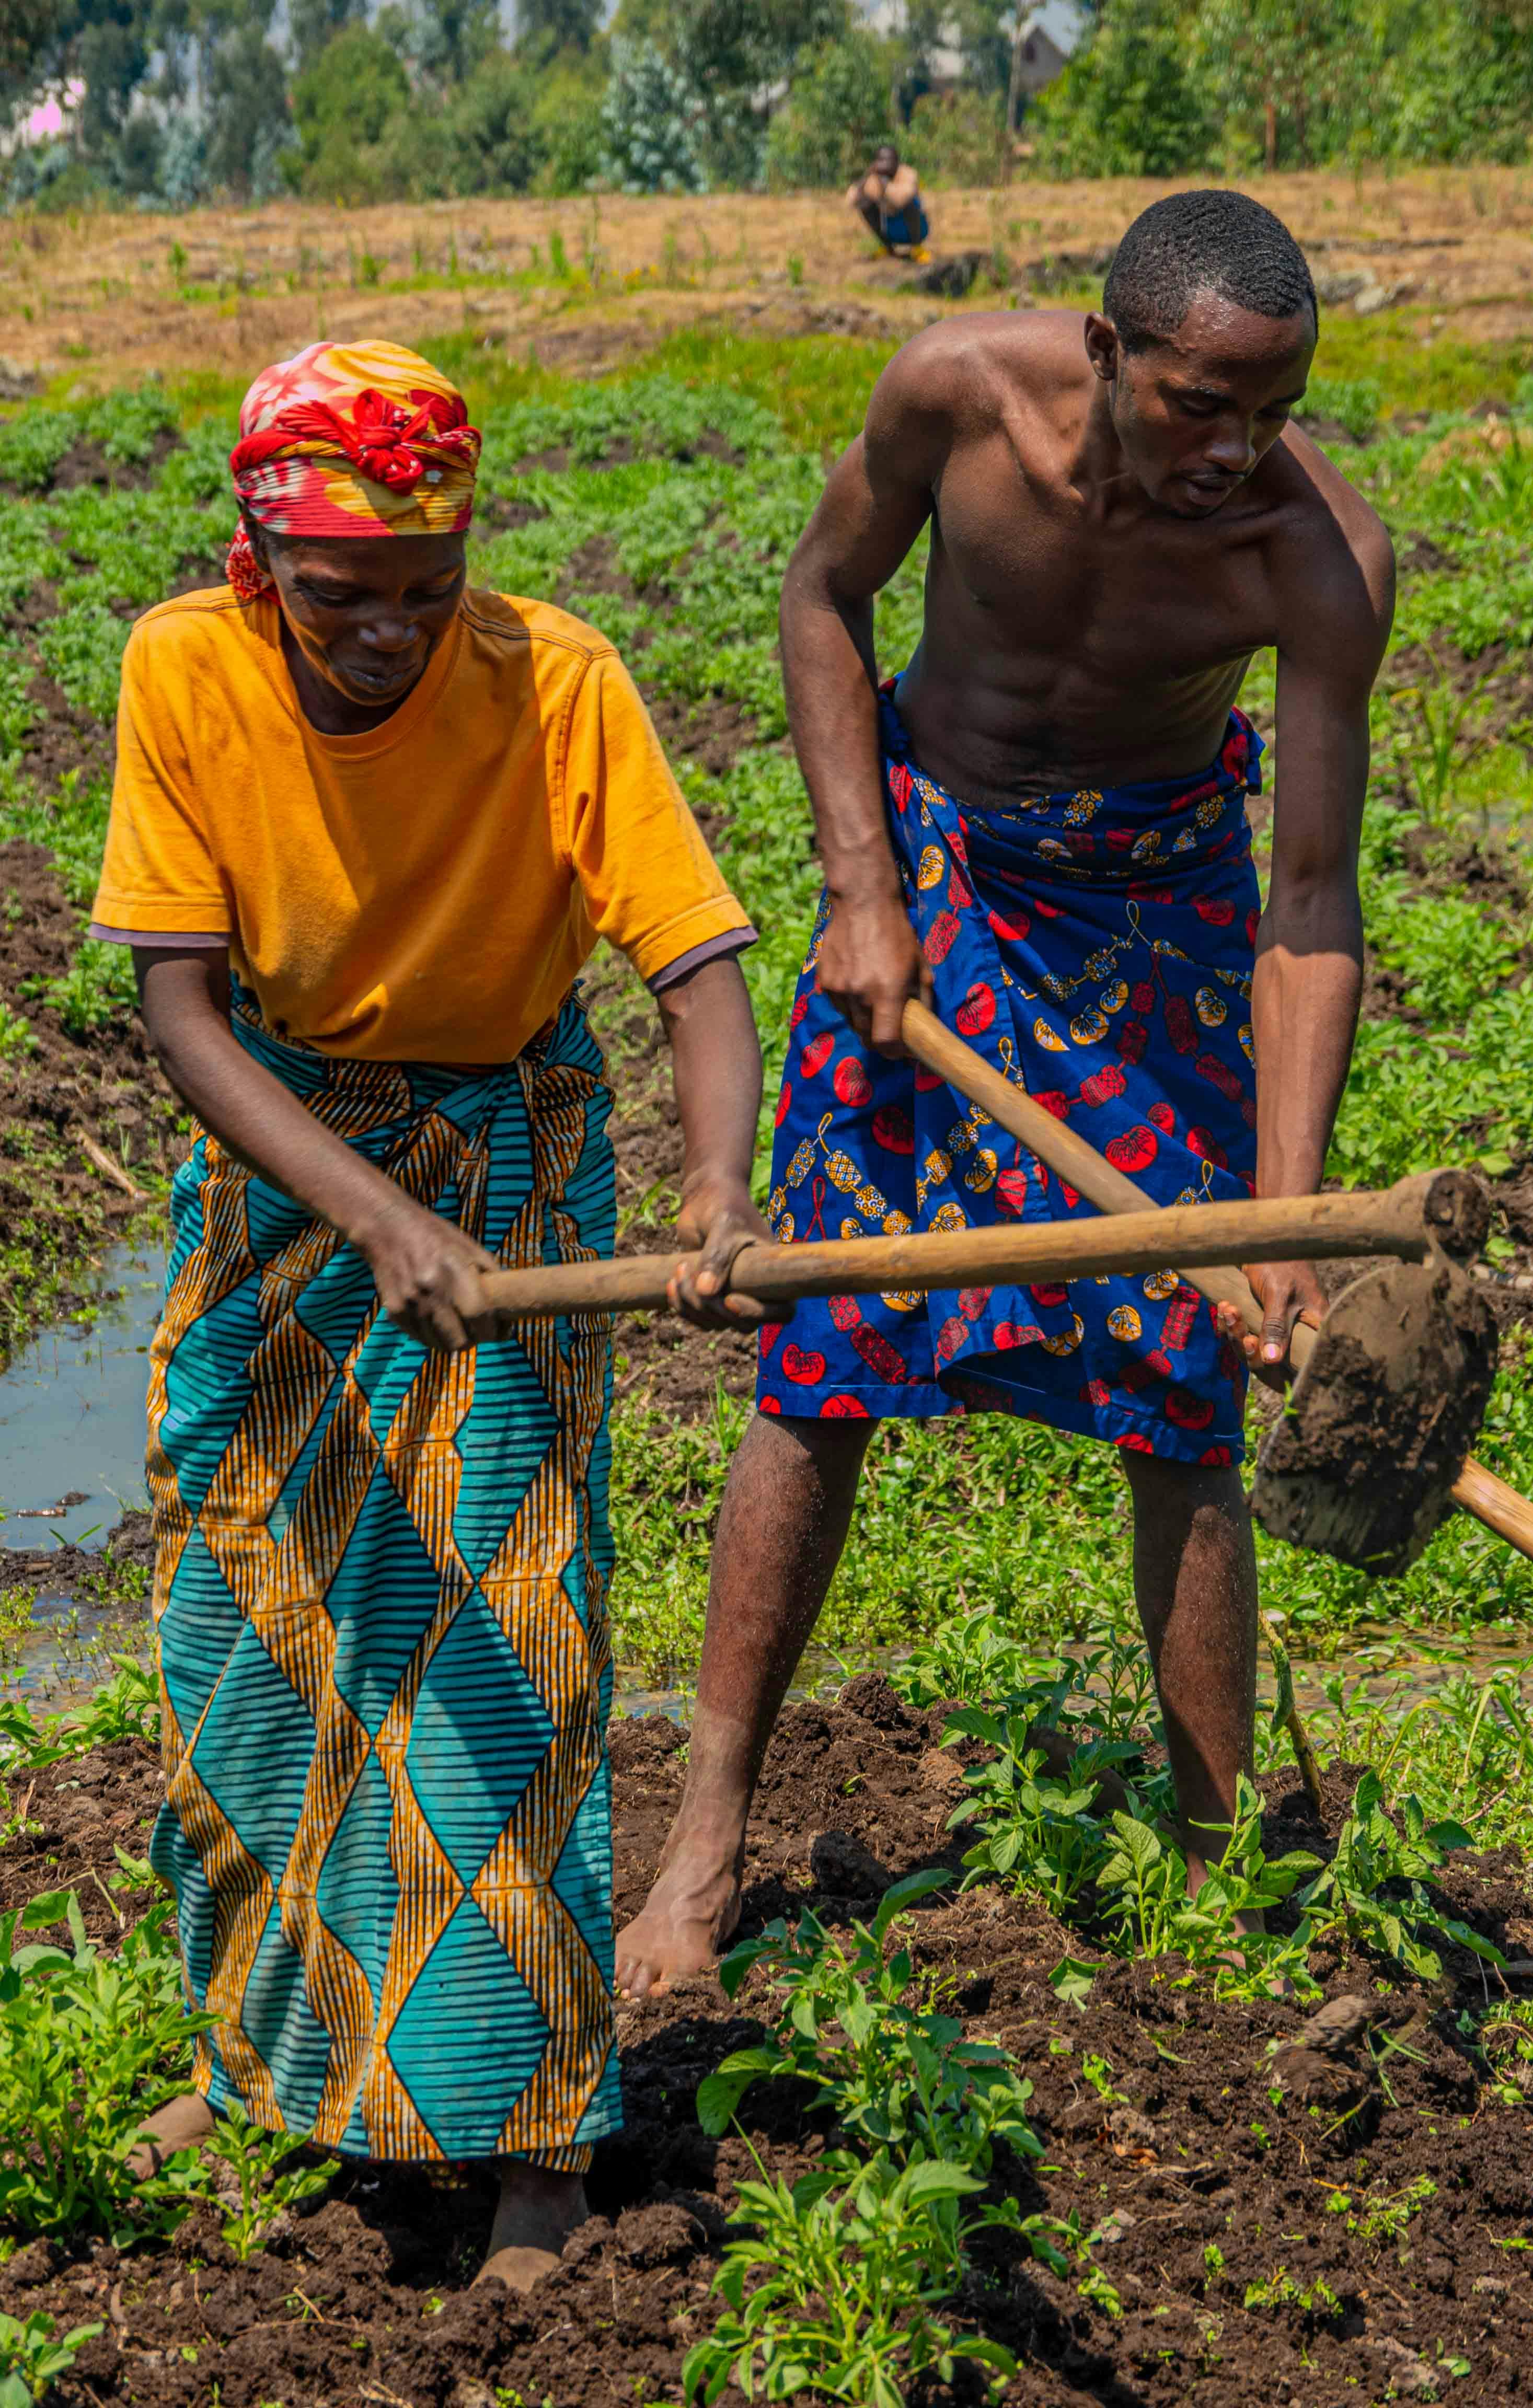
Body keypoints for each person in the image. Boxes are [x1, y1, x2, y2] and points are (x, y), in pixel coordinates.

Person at [616, 188, 1394, 1998]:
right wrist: (859, 886)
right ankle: (704, 1831)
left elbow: (1306, 904)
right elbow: (824, 595)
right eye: (1202, 404)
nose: (1239, 449)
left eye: (1274, 410)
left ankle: (1212, 1863)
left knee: (1183, 1377)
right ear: (1108, 350)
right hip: (938, 871)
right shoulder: (952, 395)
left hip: (1157, 903)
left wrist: (1276, 1221)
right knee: (818, 1350)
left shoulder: (1316, 556)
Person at [90, 338, 768, 2285]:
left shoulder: (552, 679)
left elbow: (697, 962)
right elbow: (180, 1013)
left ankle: (538, 2137)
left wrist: (717, 1181)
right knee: (253, 1619)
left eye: (424, 589)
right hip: (294, 1173)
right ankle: (265, 2066)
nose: (386, 633)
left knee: (501, 1632)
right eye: (340, 596)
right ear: (253, 562)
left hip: (510, 1169)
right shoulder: (181, 670)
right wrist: (370, 1207)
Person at [847, 143, 930, 259]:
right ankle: (887, 247)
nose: (884, 164)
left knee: (910, 203)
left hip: (917, 230)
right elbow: (851, 201)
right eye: (880, 160)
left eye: (888, 160)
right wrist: (865, 179)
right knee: (865, 204)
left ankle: (917, 249)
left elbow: (902, 199)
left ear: (897, 162)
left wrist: (884, 183)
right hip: (891, 229)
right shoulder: (874, 178)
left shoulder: (909, 174)